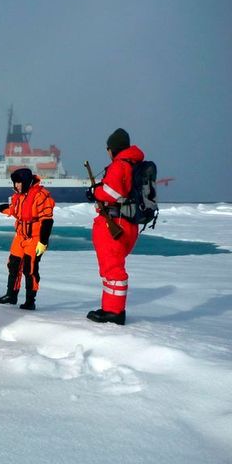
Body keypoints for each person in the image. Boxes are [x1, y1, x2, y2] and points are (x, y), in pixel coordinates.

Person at [85, 128, 145, 325]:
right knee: (112, 267)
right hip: (129, 224)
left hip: (114, 224)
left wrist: (95, 192)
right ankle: (110, 307)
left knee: (113, 269)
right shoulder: (135, 165)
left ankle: (114, 312)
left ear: (112, 148)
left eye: (108, 148)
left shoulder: (120, 165)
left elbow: (112, 192)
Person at [0, 167, 55, 310]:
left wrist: (43, 242)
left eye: (19, 182)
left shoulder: (41, 196)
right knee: (13, 265)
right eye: (15, 183)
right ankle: (11, 295)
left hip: (35, 238)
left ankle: (30, 301)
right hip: (20, 237)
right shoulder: (18, 196)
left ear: (26, 181)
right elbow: (12, 209)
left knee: (29, 269)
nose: (17, 185)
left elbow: (47, 220)